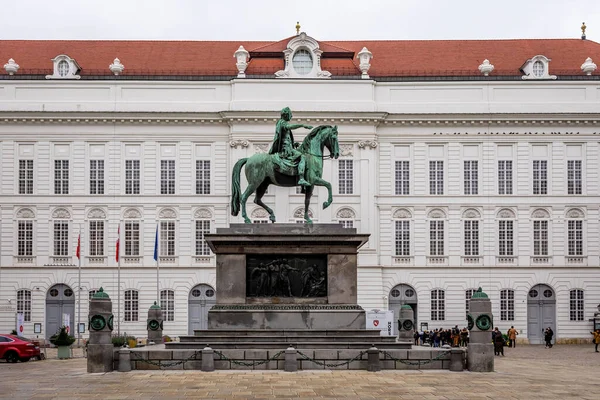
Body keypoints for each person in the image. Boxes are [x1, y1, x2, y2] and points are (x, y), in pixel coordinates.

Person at [269, 107, 312, 186]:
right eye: (290, 115)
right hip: (286, 149)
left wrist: (293, 144)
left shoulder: (282, 123)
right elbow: (289, 127)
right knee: (302, 157)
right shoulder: (282, 122)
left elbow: (286, 137)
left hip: (289, 147)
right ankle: (301, 178)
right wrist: (302, 125)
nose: (291, 116)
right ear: (286, 115)